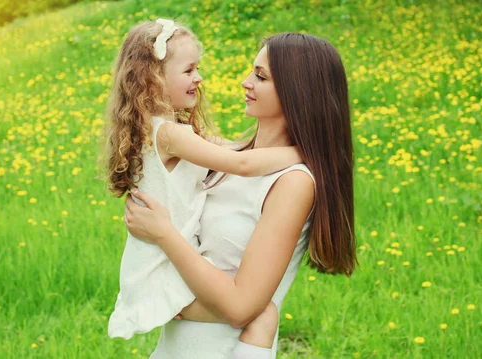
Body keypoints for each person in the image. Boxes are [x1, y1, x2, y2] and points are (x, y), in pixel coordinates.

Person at [125, 32, 357, 359]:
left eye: (260, 76)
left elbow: (239, 309)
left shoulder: (293, 182)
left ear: (298, 93)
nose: (246, 82)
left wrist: (162, 234)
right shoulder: (229, 158)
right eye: (252, 71)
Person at [104, 19, 302, 355]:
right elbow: (241, 162)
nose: (199, 78)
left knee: (258, 313)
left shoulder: (164, 132)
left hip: (156, 266)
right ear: (154, 80)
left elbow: (232, 149)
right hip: (163, 270)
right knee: (262, 314)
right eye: (189, 70)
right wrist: (304, 153)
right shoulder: (172, 135)